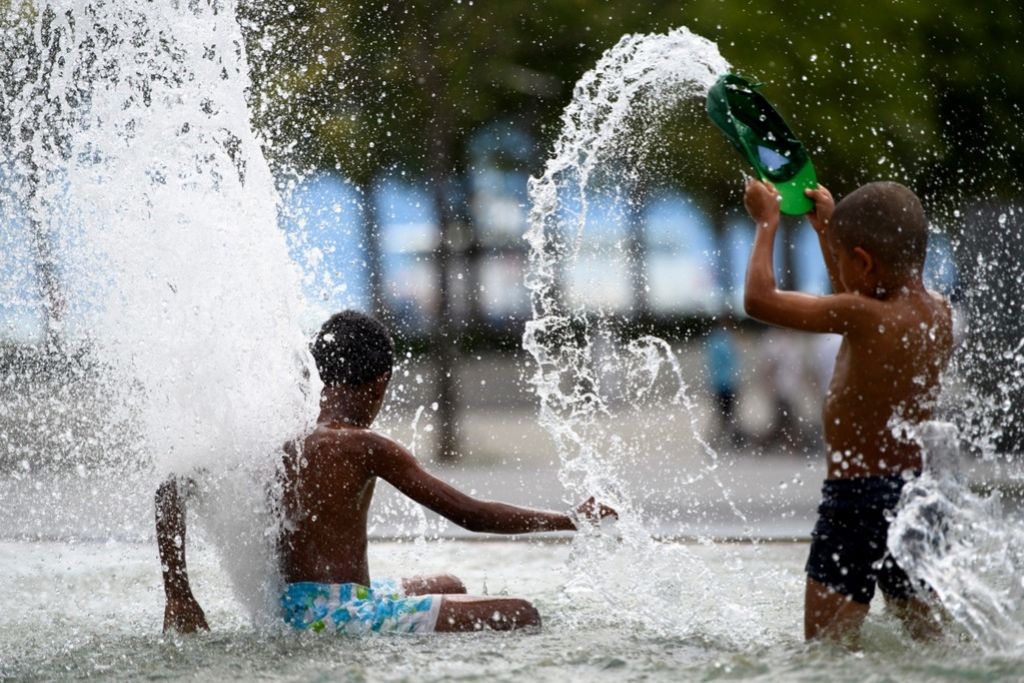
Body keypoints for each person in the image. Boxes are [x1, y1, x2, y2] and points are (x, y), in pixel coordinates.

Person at [156, 310, 615, 635]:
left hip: (292, 607)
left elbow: (170, 485)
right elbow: (471, 515)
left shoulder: (280, 439)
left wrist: (179, 594)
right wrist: (570, 520)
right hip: (339, 617)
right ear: (380, 383)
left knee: (451, 584)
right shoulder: (364, 447)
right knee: (521, 613)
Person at [742, 179, 953, 643]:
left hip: (857, 498)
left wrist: (766, 223)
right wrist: (827, 233)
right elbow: (859, 294)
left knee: (827, 652)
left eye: (840, 260)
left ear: (862, 261)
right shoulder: (938, 311)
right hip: (919, 496)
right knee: (931, 644)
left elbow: (759, 301)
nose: (836, 270)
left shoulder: (866, 316)